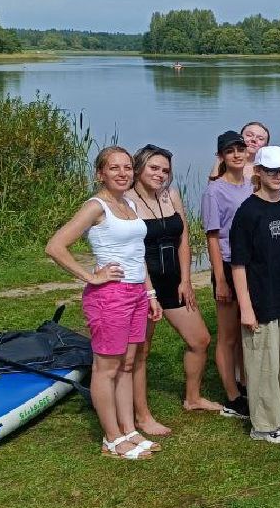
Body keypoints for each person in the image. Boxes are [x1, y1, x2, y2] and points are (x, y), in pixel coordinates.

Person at [46, 146, 163, 460]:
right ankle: (111, 438)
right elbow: (55, 246)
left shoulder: (127, 203)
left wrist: (150, 294)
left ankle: (128, 430)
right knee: (106, 367)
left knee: (127, 364)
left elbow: (137, 255)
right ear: (101, 173)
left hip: (137, 293)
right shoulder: (96, 206)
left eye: (127, 167)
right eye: (115, 168)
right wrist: (90, 276)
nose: (123, 173)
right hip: (110, 296)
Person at [130, 144, 219, 430]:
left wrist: (186, 279)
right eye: (154, 168)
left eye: (165, 170)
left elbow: (183, 238)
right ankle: (142, 415)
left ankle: (192, 398)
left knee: (200, 340)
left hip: (173, 283)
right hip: (144, 285)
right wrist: (149, 291)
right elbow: (132, 250)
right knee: (141, 351)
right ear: (139, 167)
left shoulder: (171, 195)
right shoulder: (127, 201)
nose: (160, 174)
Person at [229, 145, 280, 444]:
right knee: (263, 361)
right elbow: (238, 264)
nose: (278, 176)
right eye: (272, 171)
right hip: (262, 298)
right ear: (258, 172)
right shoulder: (248, 212)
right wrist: (246, 307)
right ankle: (264, 424)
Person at [201, 129, 254, 418]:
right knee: (227, 335)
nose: (236, 155)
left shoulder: (250, 184)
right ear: (221, 156)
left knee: (247, 329)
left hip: (250, 266)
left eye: (240, 149)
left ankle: (245, 383)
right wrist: (219, 278)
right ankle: (232, 395)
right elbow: (212, 236)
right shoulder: (214, 190)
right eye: (230, 151)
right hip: (228, 265)